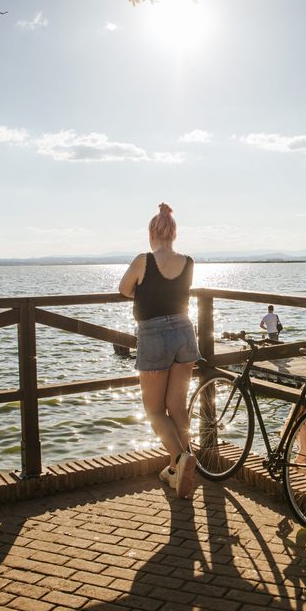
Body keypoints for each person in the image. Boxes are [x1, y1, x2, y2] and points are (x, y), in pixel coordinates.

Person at [118, 203, 202, 498]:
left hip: (153, 333)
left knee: (154, 410)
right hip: (184, 330)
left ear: (152, 233)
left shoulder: (143, 260)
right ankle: (177, 470)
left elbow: (124, 289)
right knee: (177, 408)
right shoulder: (188, 262)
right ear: (174, 233)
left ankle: (181, 459)